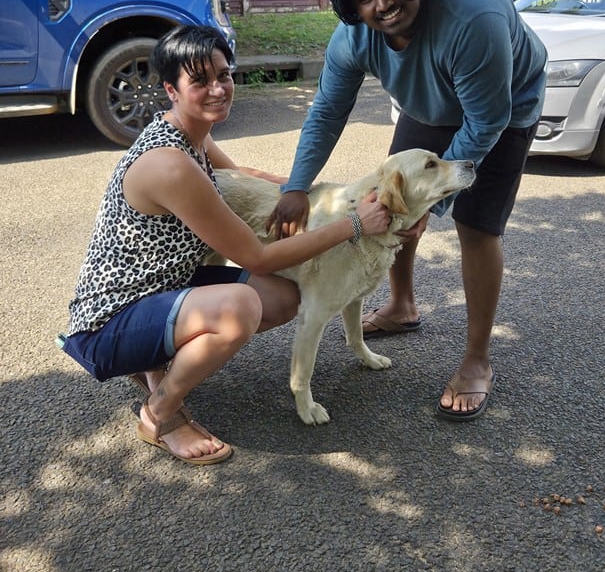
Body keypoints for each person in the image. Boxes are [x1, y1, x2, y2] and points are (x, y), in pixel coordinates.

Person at [60, 24, 390, 464]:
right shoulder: (170, 166)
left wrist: (320, 194)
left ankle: (156, 363)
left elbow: (245, 175)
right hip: (109, 323)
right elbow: (257, 256)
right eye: (200, 81)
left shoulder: (191, 135)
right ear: (171, 90)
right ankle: (160, 413)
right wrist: (353, 223)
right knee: (241, 308)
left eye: (224, 75)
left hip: (160, 289)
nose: (218, 89)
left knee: (282, 296)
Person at [269, 0, 547, 421]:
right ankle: (402, 306)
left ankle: (477, 360)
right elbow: (327, 111)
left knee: (476, 226)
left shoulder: (473, 18)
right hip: (429, 102)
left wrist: (433, 205)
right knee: (393, 198)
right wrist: (295, 187)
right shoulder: (355, 34)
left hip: (503, 109)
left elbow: (485, 121)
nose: (383, 5)